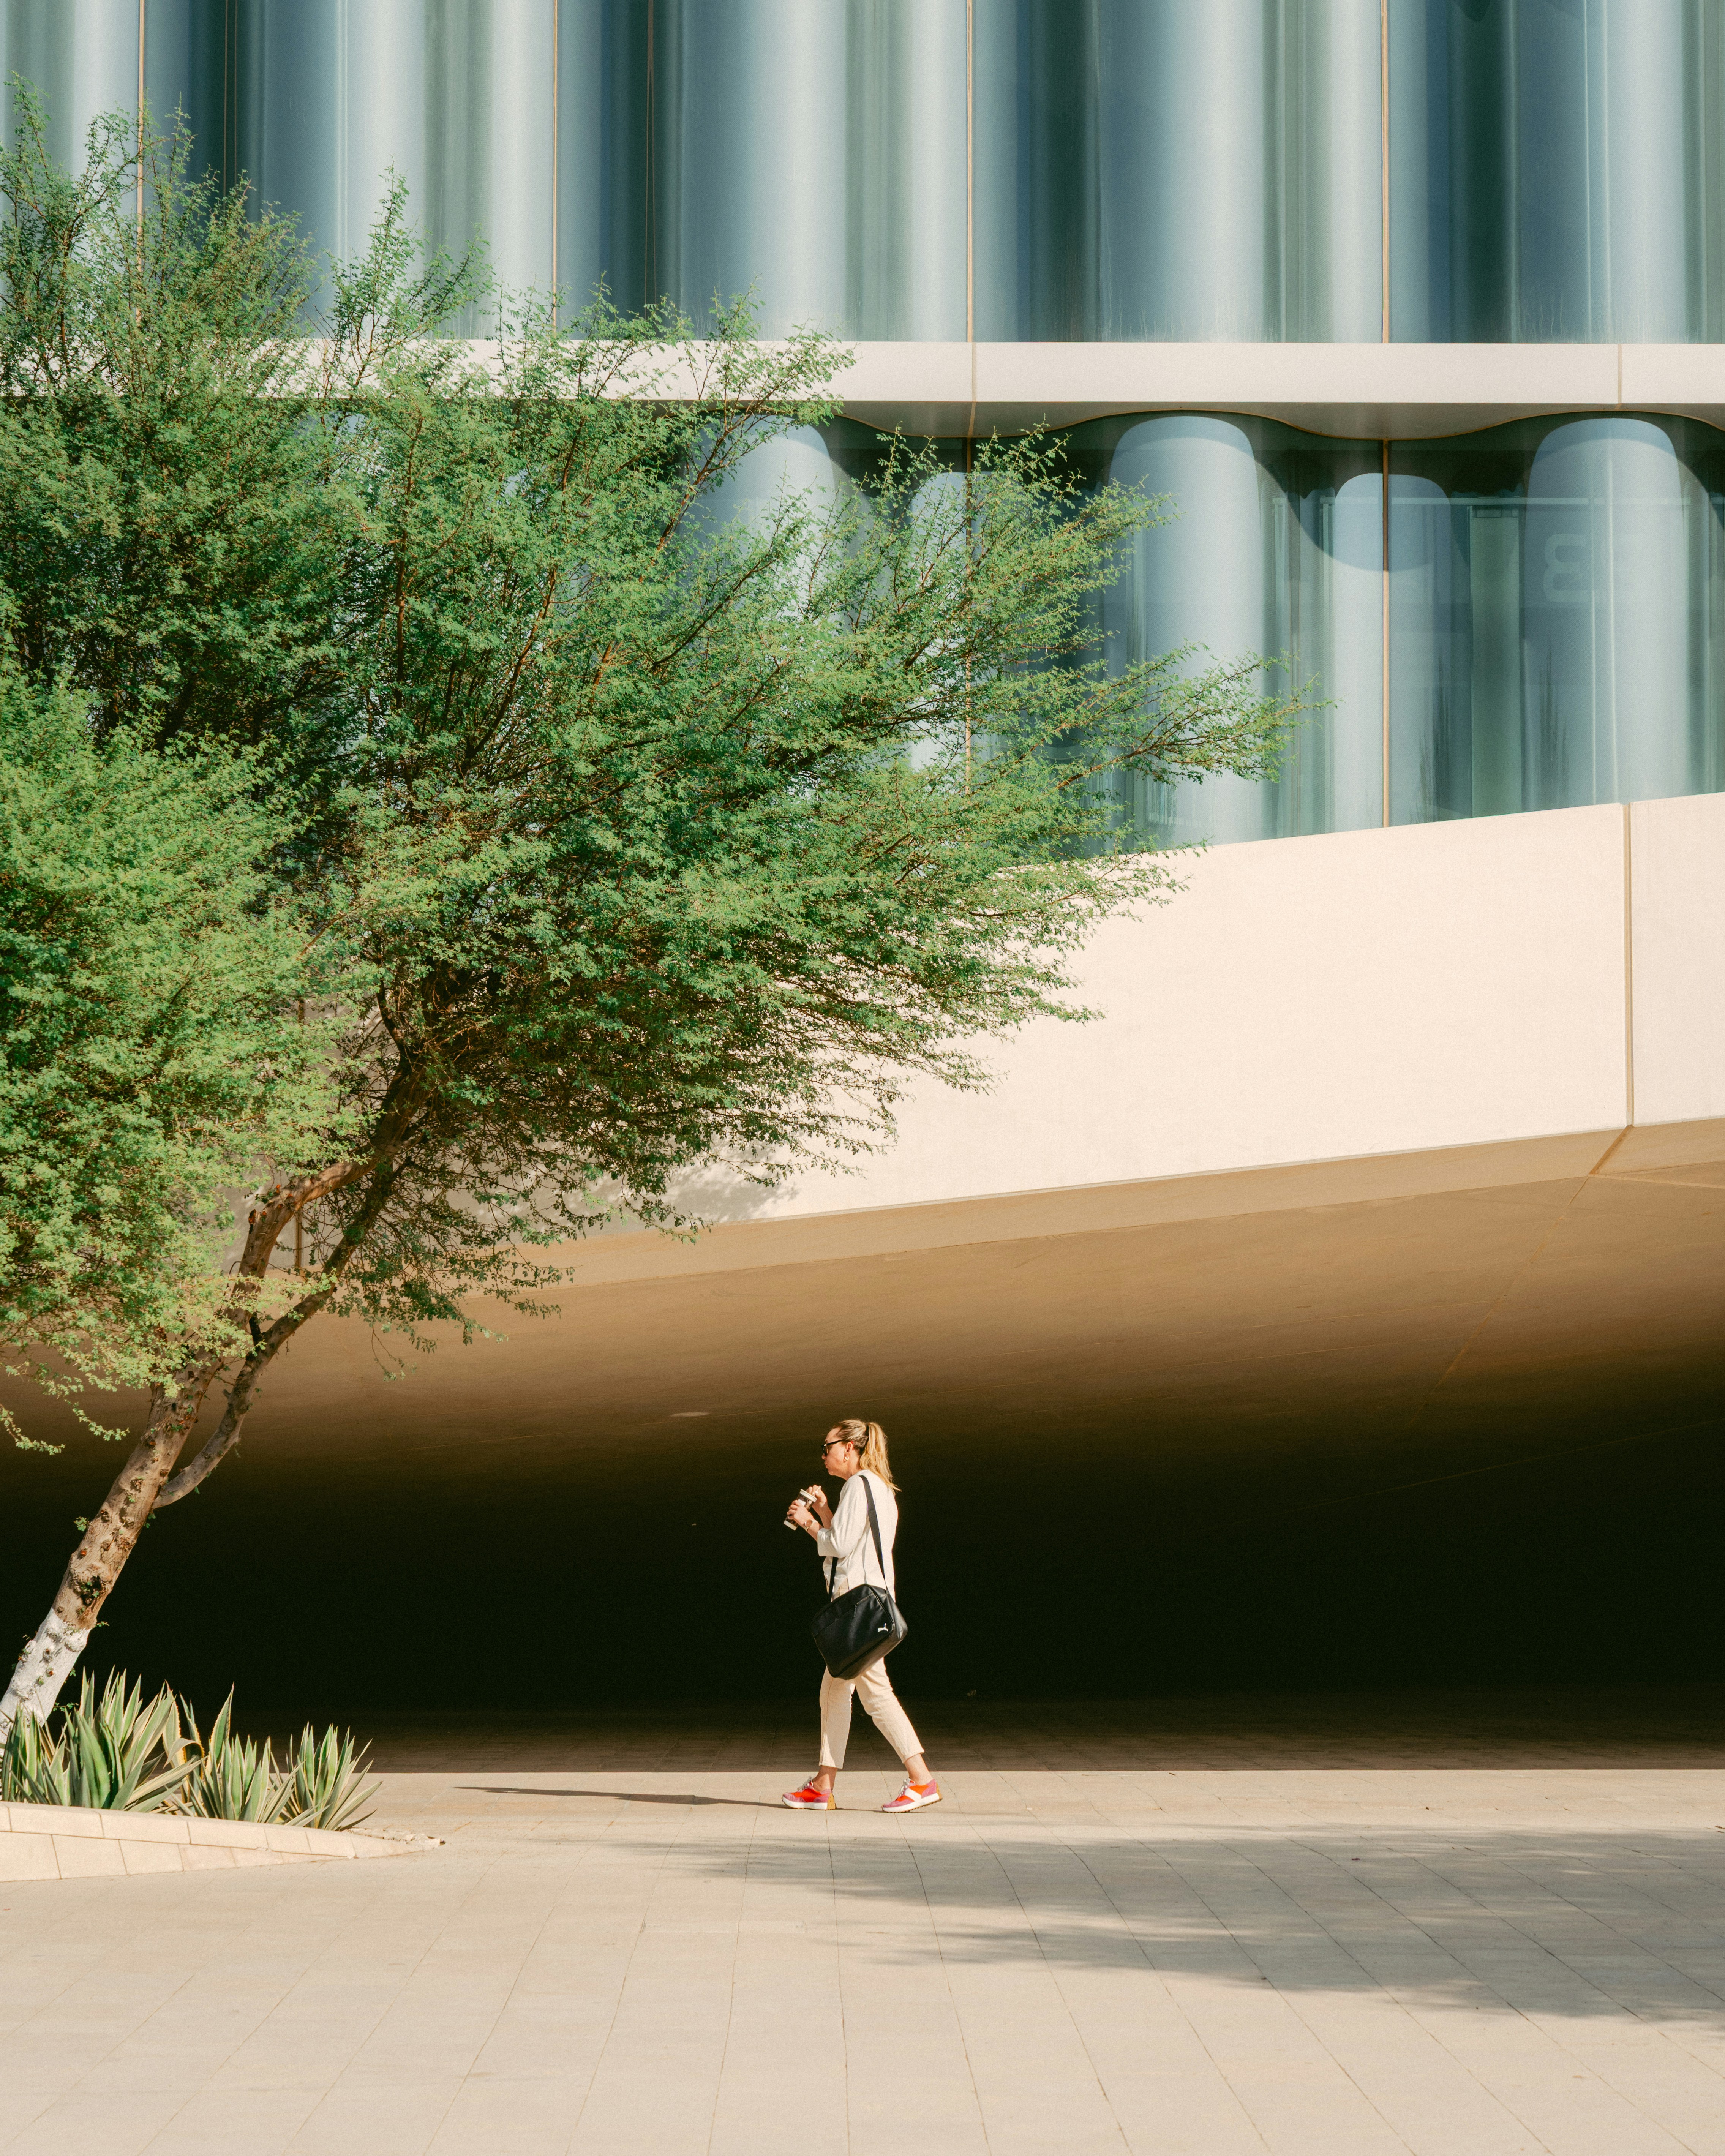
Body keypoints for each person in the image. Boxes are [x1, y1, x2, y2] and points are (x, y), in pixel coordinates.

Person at [782, 1418, 940, 1814]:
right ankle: (823, 1784)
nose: (824, 1454)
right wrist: (825, 1510)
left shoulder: (858, 1484)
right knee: (835, 1691)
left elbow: (839, 1544)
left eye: (828, 1446)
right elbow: (854, 1539)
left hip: (858, 1609)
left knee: (875, 1694)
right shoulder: (877, 1488)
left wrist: (807, 1523)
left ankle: (922, 1779)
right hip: (868, 1605)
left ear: (850, 1447)